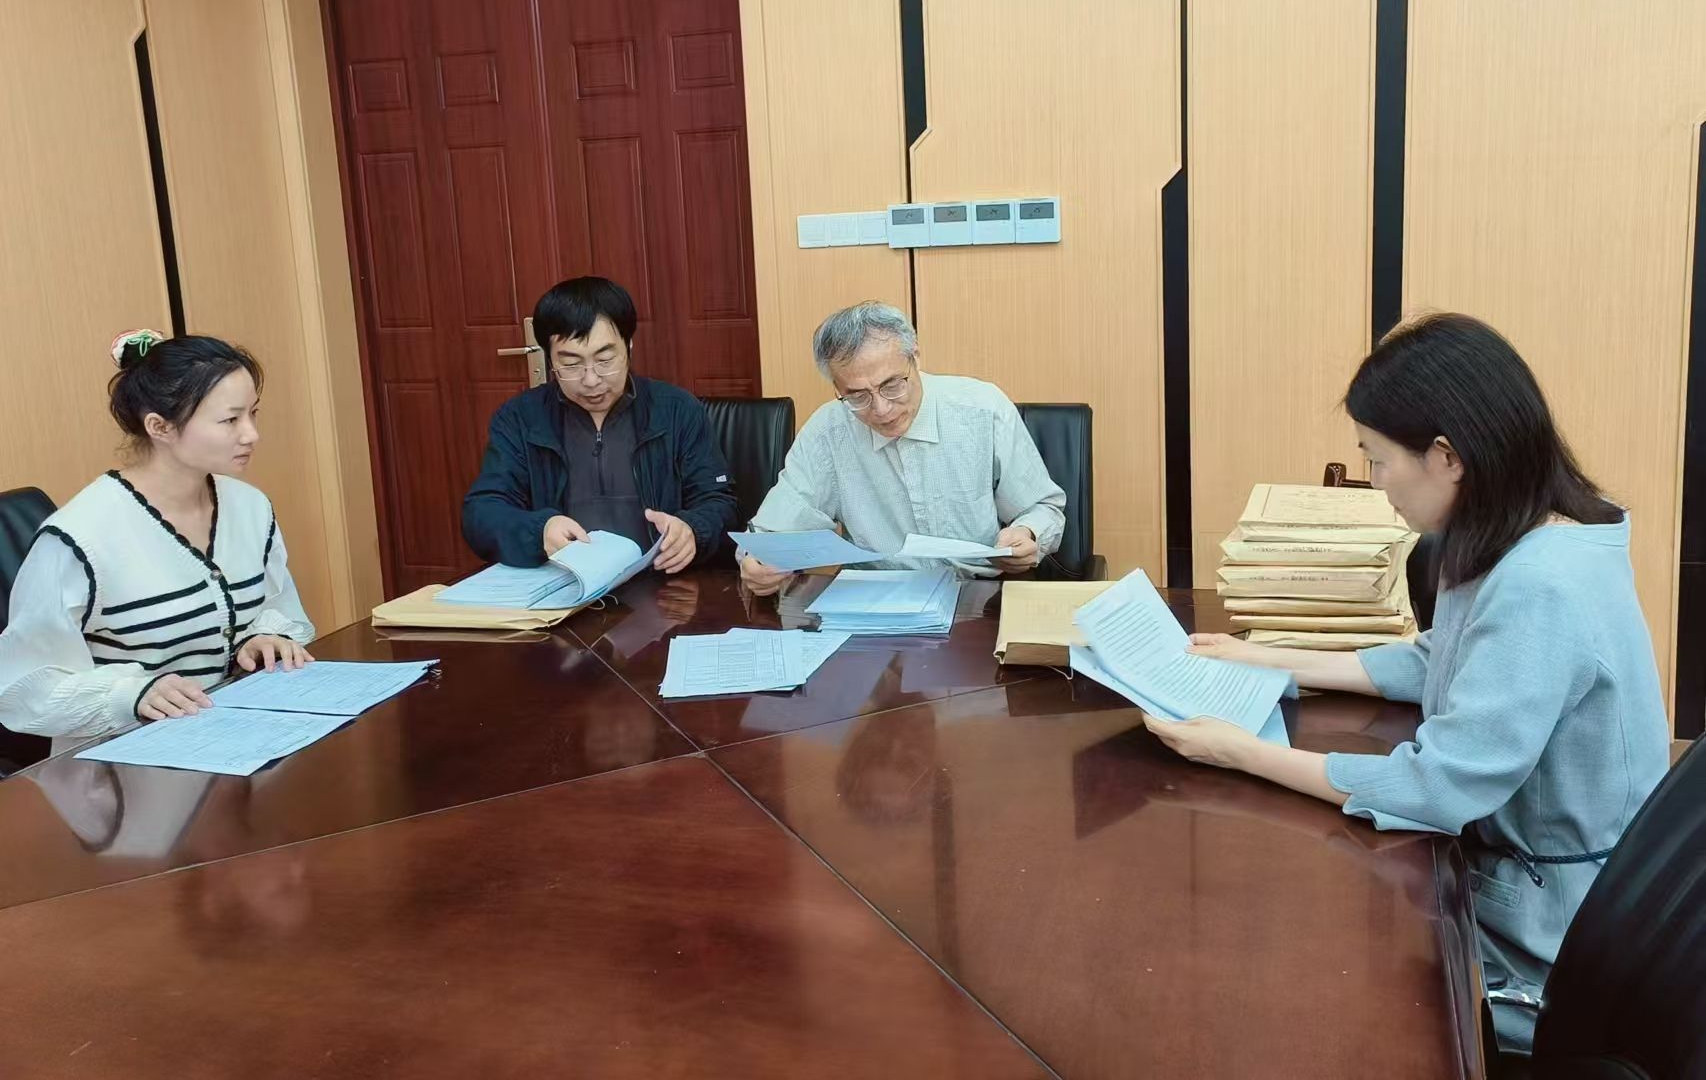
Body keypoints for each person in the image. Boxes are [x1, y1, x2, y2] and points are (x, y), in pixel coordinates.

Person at [1141, 313, 1670, 1053]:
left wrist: (1242, 752)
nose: (1375, 481)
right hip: (1525, 884)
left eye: (1379, 459)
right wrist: (1270, 658)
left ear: (1447, 457)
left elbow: (1436, 787)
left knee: (1293, 975)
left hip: (1549, 942)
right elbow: (1437, 659)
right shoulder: (1520, 532)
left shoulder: (1542, 584)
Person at [0, 331, 315, 749]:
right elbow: (21, 688)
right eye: (230, 420)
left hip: (239, 739)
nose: (251, 434)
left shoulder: (250, 507)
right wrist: (132, 695)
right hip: (123, 762)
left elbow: (277, 609)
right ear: (159, 426)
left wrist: (262, 640)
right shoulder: (79, 537)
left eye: (253, 414)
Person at [739, 301, 1066, 595]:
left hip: (979, 595)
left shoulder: (982, 409)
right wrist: (757, 561)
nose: (881, 409)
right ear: (837, 387)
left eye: (892, 385)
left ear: (915, 357)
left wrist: (1028, 533)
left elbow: (1042, 507)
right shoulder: (828, 431)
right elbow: (772, 532)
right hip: (876, 601)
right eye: (857, 396)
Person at [462, 276, 739, 574]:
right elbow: (482, 513)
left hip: (661, 584)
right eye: (571, 364)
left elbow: (721, 504)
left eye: (605, 360)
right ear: (550, 360)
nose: (591, 380)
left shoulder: (677, 410)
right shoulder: (520, 418)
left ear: (629, 347)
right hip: (564, 585)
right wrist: (538, 531)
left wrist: (693, 531)